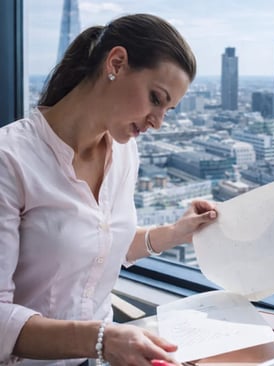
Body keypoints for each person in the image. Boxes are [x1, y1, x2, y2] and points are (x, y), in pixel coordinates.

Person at [0, 13, 217, 366]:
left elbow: (95, 246)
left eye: (169, 110)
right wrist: (101, 339)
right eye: (155, 98)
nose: (158, 123)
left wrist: (175, 232)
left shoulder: (125, 152)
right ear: (115, 63)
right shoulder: (9, 161)